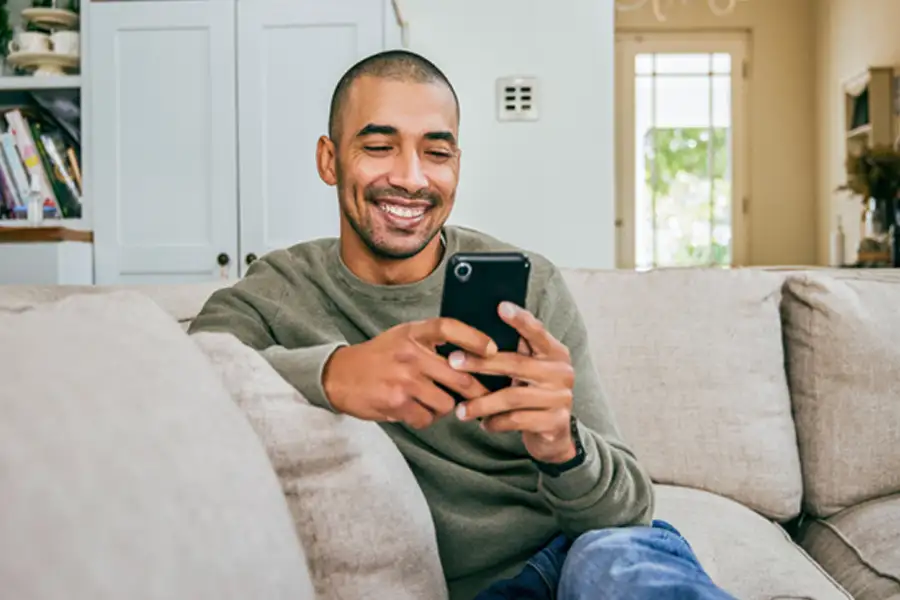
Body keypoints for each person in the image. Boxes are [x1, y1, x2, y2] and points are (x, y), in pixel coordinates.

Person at [188, 49, 736, 600]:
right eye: (379, 147)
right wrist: (333, 374)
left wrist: (561, 444)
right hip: (478, 590)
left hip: (573, 556)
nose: (410, 178)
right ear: (329, 160)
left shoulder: (533, 286)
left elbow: (629, 511)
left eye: (437, 152)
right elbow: (183, 377)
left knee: (619, 565)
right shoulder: (280, 289)